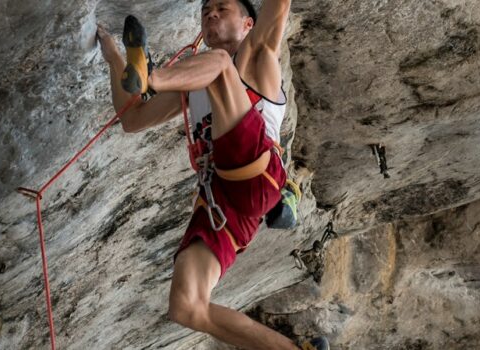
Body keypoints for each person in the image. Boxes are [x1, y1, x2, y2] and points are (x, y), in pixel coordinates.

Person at [95, 1, 323, 349]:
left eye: (222, 8)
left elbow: (278, 7)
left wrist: (152, 79)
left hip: (259, 172)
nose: (210, 14)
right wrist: (113, 58)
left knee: (219, 65)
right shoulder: (194, 86)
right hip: (228, 202)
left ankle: (150, 75)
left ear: (249, 24)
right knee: (186, 307)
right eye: (205, 11)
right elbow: (132, 119)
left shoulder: (259, 57)